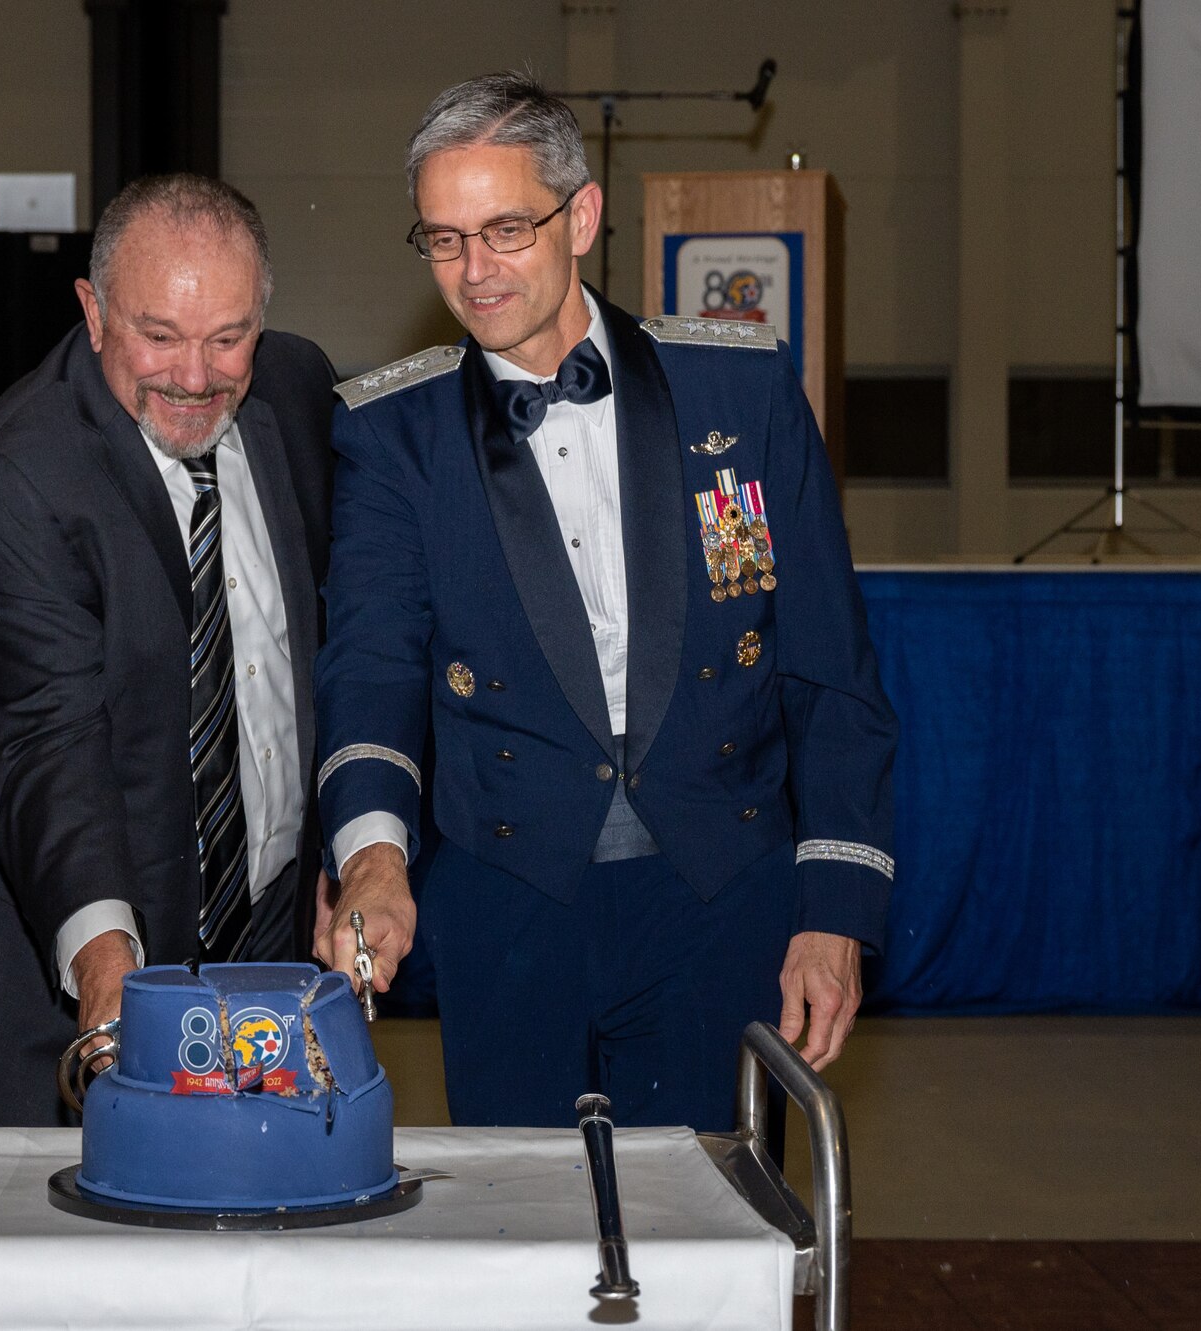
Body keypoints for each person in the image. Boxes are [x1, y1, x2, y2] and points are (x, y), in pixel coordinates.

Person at [312, 74, 896, 1131]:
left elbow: (829, 673)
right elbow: (371, 669)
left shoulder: (740, 393)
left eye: (502, 229)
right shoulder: (391, 436)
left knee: (713, 1236)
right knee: (521, 1246)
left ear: (579, 214)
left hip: (723, 889)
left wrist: (834, 911)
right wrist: (373, 860)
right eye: (442, 240)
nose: (473, 271)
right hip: (506, 896)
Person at [0, 174, 338, 1125]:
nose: (196, 377)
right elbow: (48, 740)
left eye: (228, 337)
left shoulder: (300, 389)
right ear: (94, 310)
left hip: (260, 908)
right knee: (80, 1236)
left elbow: (331, 635)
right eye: (159, 335)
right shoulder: (18, 472)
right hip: (49, 924)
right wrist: (105, 958)